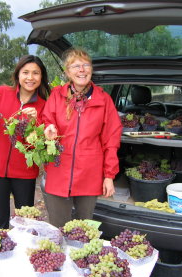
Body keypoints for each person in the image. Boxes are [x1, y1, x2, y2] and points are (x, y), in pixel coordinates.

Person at [42, 48, 122, 228]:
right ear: (67, 72)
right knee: (58, 228)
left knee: (83, 230)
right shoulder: (57, 95)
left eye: (86, 65)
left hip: (89, 173)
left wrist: (109, 176)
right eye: (76, 66)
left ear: (91, 70)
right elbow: (46, 119)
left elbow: (111, 140)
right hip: (59, 170)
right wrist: (48, 129)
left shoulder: (104, 100)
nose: (82, 70)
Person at [0, 55, 50, 229]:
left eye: (36, 73)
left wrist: (35, 123)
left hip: (25, 173)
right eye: (26, 72)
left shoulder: (44, 105)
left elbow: (40, 145)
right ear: (18, 75)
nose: (30, 77)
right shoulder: (1, 93)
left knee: (26, 221)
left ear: (41, 77)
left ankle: (23, 252)